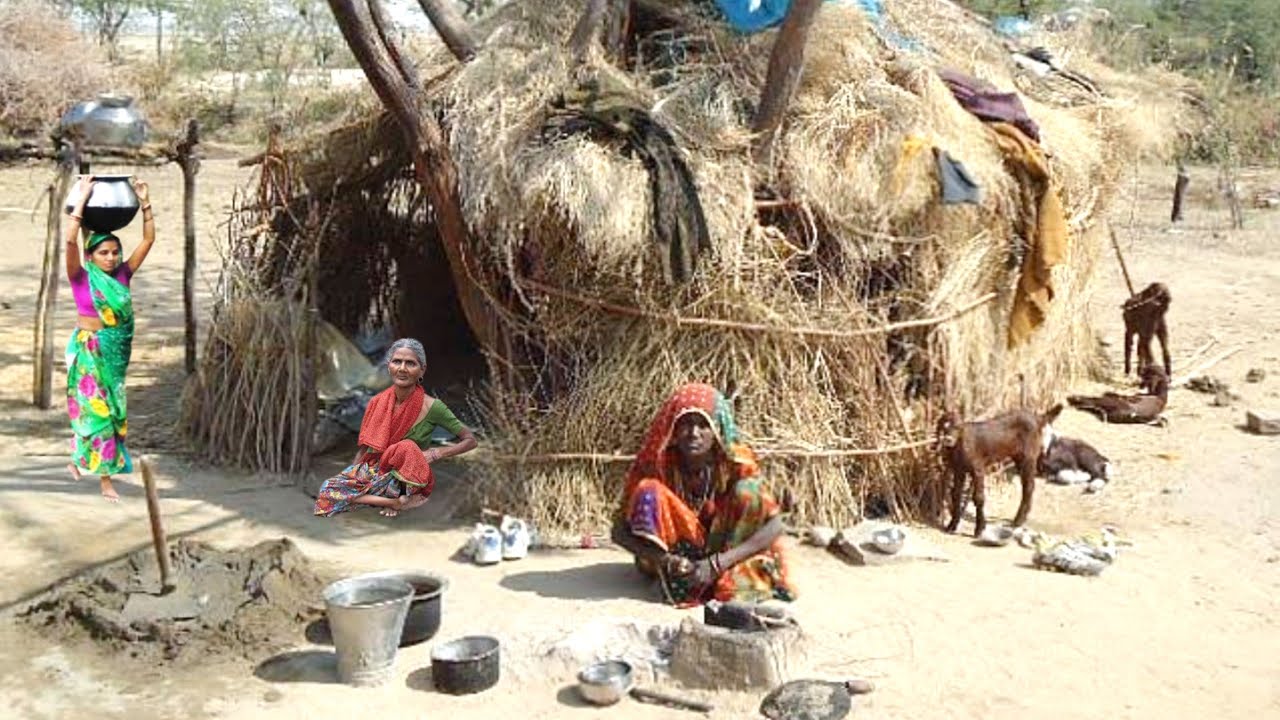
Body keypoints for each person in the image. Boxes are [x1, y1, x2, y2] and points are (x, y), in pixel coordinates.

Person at [611, 382, 795, 607]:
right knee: (648, 490)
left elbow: (775, 526)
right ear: (673, 430)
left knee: (747, 492)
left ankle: (720, 574)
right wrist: (666, 560)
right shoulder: (658, 464)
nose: (693, 434)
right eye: (685, 425)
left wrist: (717, 563)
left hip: (724, 553)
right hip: (674, 560)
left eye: (703, 425)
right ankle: (678, 576)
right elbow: (618, 531)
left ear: (717, 430)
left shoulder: (734, 463)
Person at [64, 175, 155, 502]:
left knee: (111, 411)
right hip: (90, 351)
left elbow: (147, 241)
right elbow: (71, 243)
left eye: (115, 252)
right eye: (104, 252)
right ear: (92, 256)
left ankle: (77, 457)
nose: (112, 257)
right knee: (96, 412)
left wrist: (144, 202)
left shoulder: (122, 276)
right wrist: (82, 201)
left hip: (115, 354)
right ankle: (105, 481)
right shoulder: (80, 277)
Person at [314, 338, 478, 518]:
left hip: (410, 476)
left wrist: (435, 454)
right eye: (397, 362)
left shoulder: (432, 407)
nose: (402, 369)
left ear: (421, 370)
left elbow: (470, 440)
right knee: (331, 491)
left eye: (410, 364)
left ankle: (395, 500)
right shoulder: (377, 402)